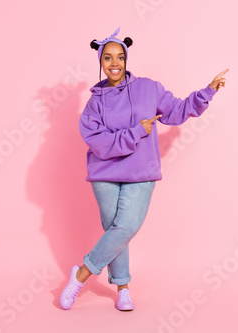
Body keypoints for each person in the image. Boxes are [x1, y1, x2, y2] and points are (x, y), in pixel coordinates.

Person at [59, 27, 228, 311]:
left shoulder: (148, 88)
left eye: (120, 57)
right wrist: (136, 132)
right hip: (105, 174)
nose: (115, 64)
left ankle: (80, 276)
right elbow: (99, 143)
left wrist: (206, 92)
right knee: (116, 231)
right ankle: (123, 288)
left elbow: (176, 110)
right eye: (108, 58)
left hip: (141, 172)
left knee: (125, 227)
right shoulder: (94, 104)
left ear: (126, 59)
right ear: (100, 62)